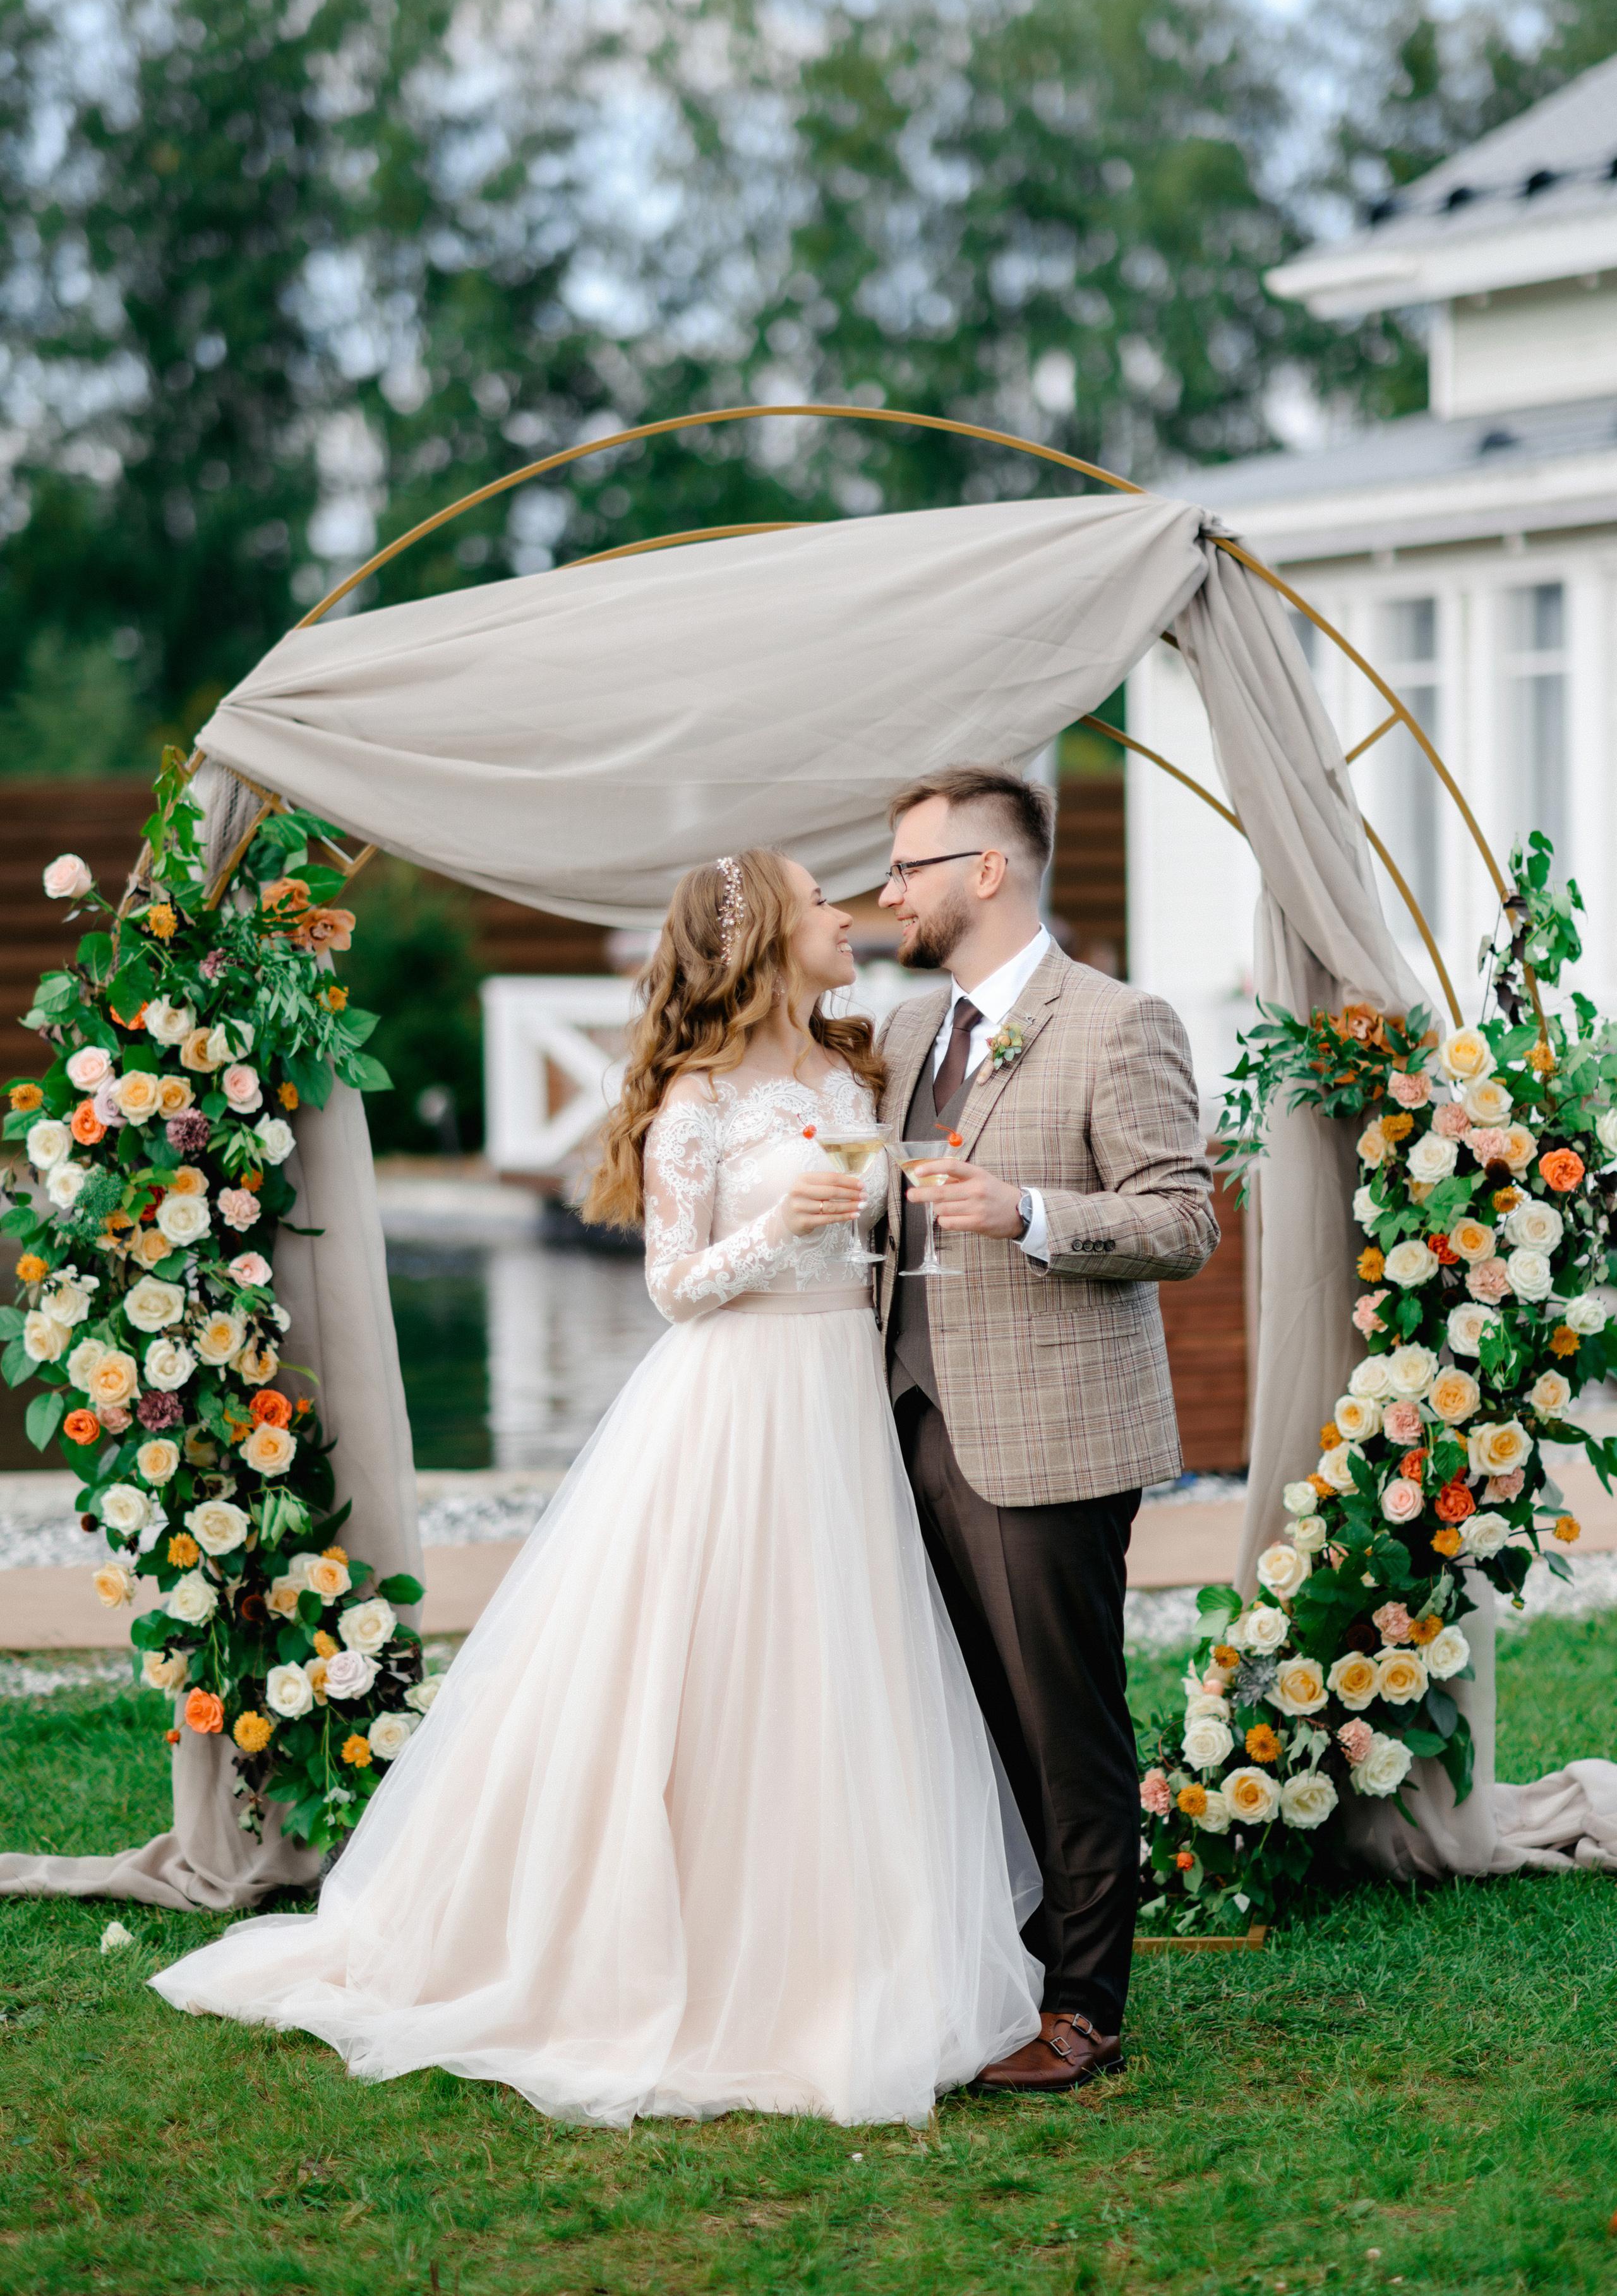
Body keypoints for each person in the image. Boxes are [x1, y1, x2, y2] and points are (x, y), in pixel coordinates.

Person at [149, 849, 1042, 2127]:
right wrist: (778, 1225)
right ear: (761, 938)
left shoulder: (857, 1071)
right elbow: (673, 1285)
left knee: (837, 1659)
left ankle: (851, 1951)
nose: (845, 916)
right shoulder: (694, 1101)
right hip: (737, 1406)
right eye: (818, 903)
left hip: (844, 1399)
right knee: (711, 1663)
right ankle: (656, 1946)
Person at [874, 765, 1218, 2091]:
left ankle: (1083, 2007)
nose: (887, 893)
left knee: (1062, 1725)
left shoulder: (1120, 1022)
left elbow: (1181, 1219)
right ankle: (1003, 1972)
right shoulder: (908, 1028)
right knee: (967, 1717)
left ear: (987, 870)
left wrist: (1024, 1211)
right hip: (905, 1421)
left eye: (906, 867)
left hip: (1048, 1431)